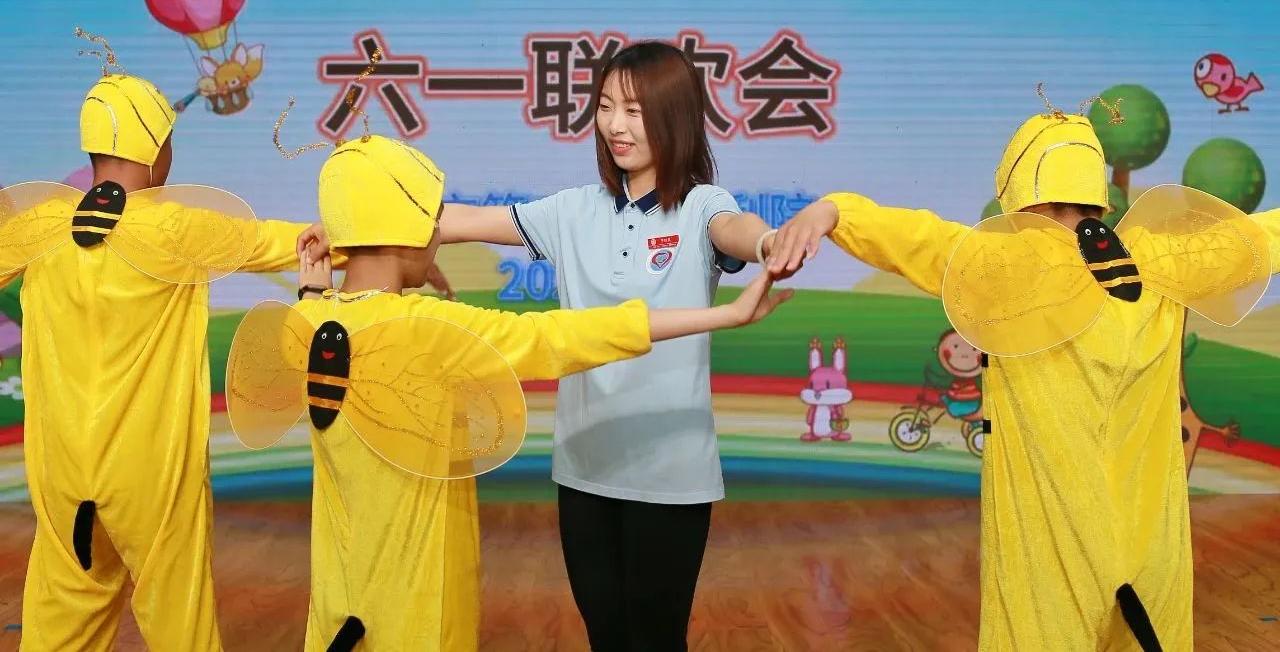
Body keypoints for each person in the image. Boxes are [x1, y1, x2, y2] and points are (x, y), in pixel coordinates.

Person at [225, 131, 792, 651]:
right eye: (432, 221)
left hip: (337, 609)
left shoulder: (307, 323)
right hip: (415, 609)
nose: (439, 234)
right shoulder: (433, 330)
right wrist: (726, 314)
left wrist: (312, 288)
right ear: (410, 234)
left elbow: (324, 315)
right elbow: (565, 336)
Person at [768, 93, 1280, 651]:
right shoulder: (1166, 261)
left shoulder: (1006, 266)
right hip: (1150, 531)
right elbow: (1261, 238)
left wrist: (835, 211)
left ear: (1019, 190)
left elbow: (918, 239)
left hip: (1051, 538)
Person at [436, 41, 793, 650]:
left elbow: (737, 231)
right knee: (606, 637)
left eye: (634, 110)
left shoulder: (700, 206)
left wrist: (769, 245)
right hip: (583, 470)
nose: (615, 126)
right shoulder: (574, 210)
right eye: (605, 107)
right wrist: (365, 226)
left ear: (674, 116)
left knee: (656, 641)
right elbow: (462, 220)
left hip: (671, 475)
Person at [0, 53, 328, 651]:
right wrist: (371, 240)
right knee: (180, 621)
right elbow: (285, 242)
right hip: (150, 473)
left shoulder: (39, 227)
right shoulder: (178, 229)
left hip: (60, 469)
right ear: (156, 147)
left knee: (60, 615)